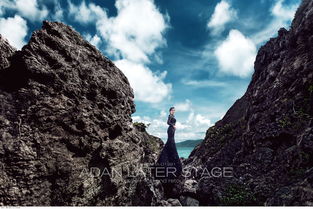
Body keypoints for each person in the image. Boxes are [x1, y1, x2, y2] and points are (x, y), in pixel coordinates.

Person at [151, 107, 182, 184]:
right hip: (170, 129)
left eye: (174, 110)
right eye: (172, 110)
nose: (173, 111)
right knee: (170, 140)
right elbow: (168, 122)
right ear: (170, 111)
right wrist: (173, 126)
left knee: (171, 141)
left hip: (172, 129)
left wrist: (173, 127)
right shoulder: (170, 116)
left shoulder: (173, 116)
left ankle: (170, 155)